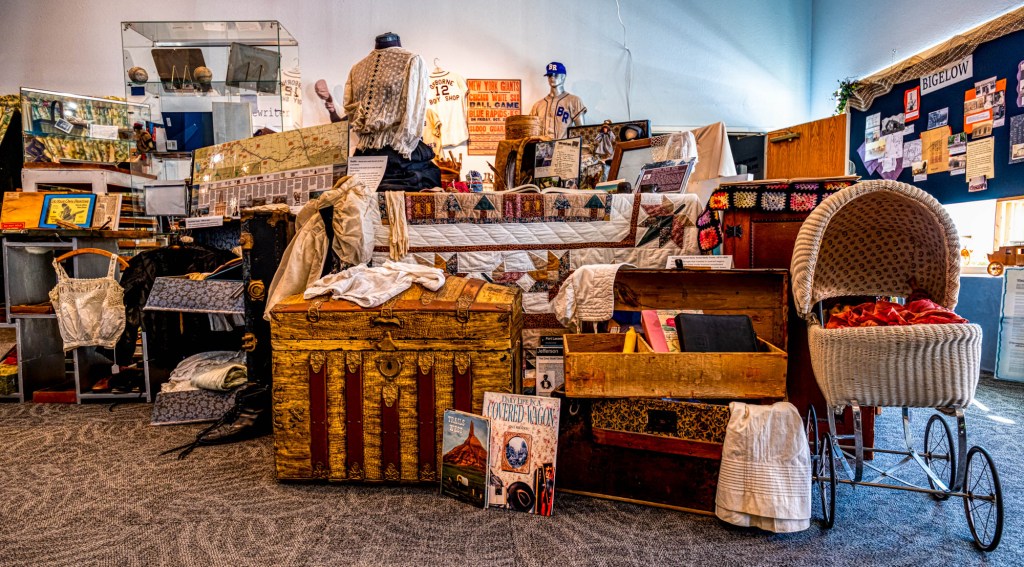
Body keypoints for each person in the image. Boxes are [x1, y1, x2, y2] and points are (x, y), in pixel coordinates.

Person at [529, 62, 586, 140]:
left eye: (556, 75)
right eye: (550, 75)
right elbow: (531, 132)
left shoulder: (574, 101)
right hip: (541, 146)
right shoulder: (538, 105)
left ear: (563, 77)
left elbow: (582, 131)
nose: (552, 78)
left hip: (563, 146)